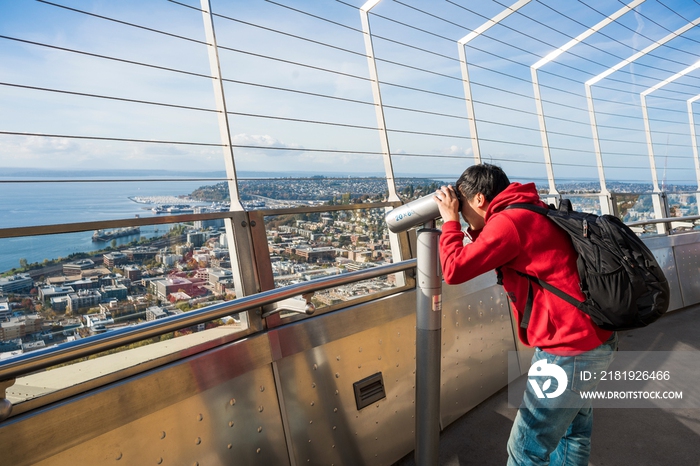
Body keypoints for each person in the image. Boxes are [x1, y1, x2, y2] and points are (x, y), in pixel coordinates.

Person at [433, 163, 617, 466]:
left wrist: (450, 222)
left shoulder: (509, 222)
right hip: (593, 340)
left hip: (567, 350)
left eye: (462, 205)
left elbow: (454, 269)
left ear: (479, 199)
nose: (462, 213)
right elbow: (499, 251)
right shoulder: (530, 208)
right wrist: (472, 224)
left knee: (525, 450)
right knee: (572, 434)